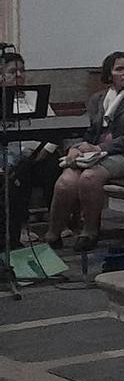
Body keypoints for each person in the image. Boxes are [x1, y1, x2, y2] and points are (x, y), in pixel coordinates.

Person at [41, 52, 124, 251]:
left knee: (89, 178)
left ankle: (90, 231)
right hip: (94, 153)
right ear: (109, 74)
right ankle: (53, 234)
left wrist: (99, 148)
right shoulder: (98, 99)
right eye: (120, 69)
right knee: (66, 181)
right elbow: (84, 129)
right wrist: (75, 148)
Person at [3, 50, 59, 250]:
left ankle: (56, 227)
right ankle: (18, 231)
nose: (19, 76)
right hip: (10, 158)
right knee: (17, 176)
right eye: (12, 72)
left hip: (39, 155)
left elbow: (54, 129)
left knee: (53, 166)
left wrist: (45, 151)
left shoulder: (33, 96)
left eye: (22, 71)